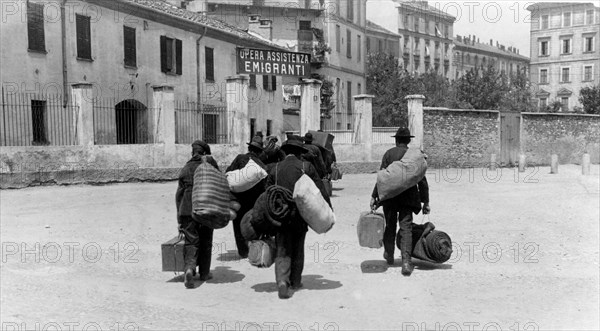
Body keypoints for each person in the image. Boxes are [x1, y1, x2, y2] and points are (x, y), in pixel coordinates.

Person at [266, 139, 332, 299]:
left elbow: (267, 192)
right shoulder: (306, 167)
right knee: (297, 246)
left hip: (279, 214)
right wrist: (328, 208)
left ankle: (282, 281)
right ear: (299, 152)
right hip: (300, 214)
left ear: (285, 151)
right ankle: (295, 281)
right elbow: (319, 190)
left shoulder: (274, 168)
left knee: (282, 246)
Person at [370, 127, 430, 276]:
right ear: (408, 140)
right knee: (406, 228)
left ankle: (389, 255)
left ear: (396, 140)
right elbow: (421, 180)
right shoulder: (415, 156)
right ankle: (406, 262)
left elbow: (383, 178)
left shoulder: (389, 154)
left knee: (390, 225)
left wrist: (374, 196)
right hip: (408, 198)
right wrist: (426, 201)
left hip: (390, 198)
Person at [175, 140, 219, 288]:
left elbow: (179, 195)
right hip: (206, 209)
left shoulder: (185, 168)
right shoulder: (209, 165)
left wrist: (179, 217)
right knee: (206, 240)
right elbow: (220, 182)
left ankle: (189, 268)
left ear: (192, 152)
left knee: (191, 241)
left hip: (187, 209)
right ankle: (205, 273)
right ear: (205, 152)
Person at [226, 136, 268, 258]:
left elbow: (229, 173)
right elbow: (264, 184)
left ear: (249, 148)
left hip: (238, 199)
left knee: (238, 223)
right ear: (260, 151)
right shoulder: (260, 164)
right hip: (253, 200)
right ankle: (254, 249)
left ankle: (243, 251)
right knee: (253, 223)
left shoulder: (240, 158)